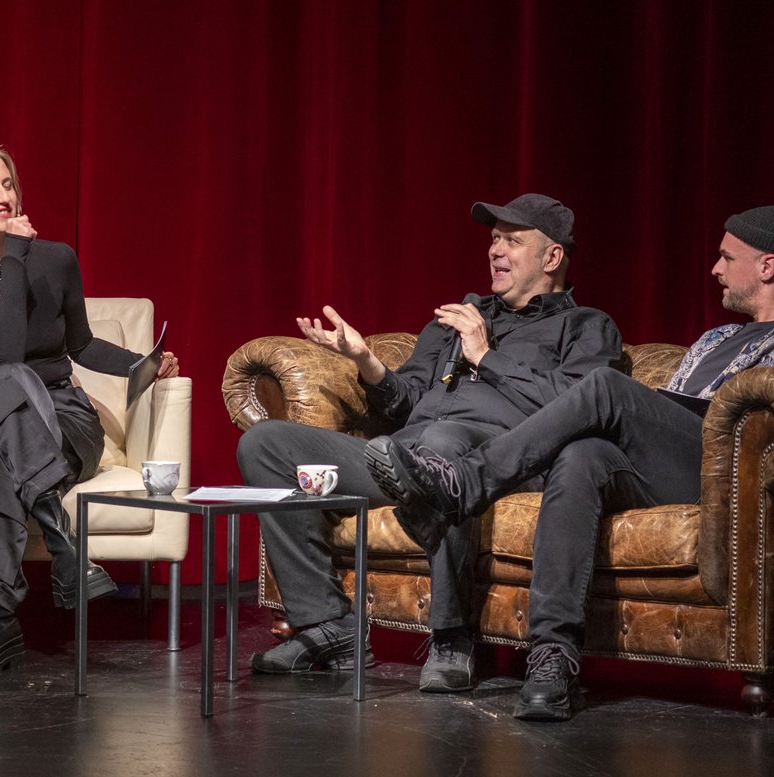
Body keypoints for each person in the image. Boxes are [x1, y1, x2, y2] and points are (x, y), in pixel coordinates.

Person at [366, 205, 774, 721]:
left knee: (603, 387)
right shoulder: (716, 338)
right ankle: (554, 658)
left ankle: (463, 484)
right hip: (661, 461)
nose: (714, 269)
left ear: (767, 266)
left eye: (726, 258)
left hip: (719, 467)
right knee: (581, 455)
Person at [237, 194, 624, 692]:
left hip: (495, 466)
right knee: (266, 444)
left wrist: (485, 355)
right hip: (400, 457)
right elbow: (405, 400)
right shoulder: (457, 317)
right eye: (493, 239)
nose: (495, 251)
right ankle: (328, 626)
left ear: (552, 258)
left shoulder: (586, 327)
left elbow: (575, 406)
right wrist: (366, 362)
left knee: (443, 441)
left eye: (512, 241)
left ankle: (452, 637)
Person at [0, 140, 180, 676]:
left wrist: (141, 363)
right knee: (3, 384)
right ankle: (64, 542)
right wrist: (13, 257)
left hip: (60, 418)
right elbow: (3, 356)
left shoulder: (56, 259)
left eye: (7, 184)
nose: (2, 196)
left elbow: (80, 345)